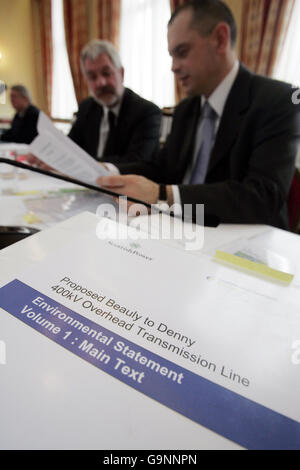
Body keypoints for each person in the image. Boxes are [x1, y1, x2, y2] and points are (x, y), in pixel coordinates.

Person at [98, 0, 300, 230]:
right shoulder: (186, 109)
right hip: (179, 232)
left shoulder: (277, 100)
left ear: (220, 39)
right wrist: (110, 171)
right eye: (171, 56)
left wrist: (163, 194)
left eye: (182, 52)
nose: (173, 66)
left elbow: (263, 197)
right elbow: (161, 168)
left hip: (243, 243)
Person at [69, 39, 162, 165]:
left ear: (121, 73)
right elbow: (69, 148)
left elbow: (136, 162)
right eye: (92, 77)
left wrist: (85, 164)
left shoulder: (147, 113)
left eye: (106, 73)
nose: (101, 83)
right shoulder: (86, 107)